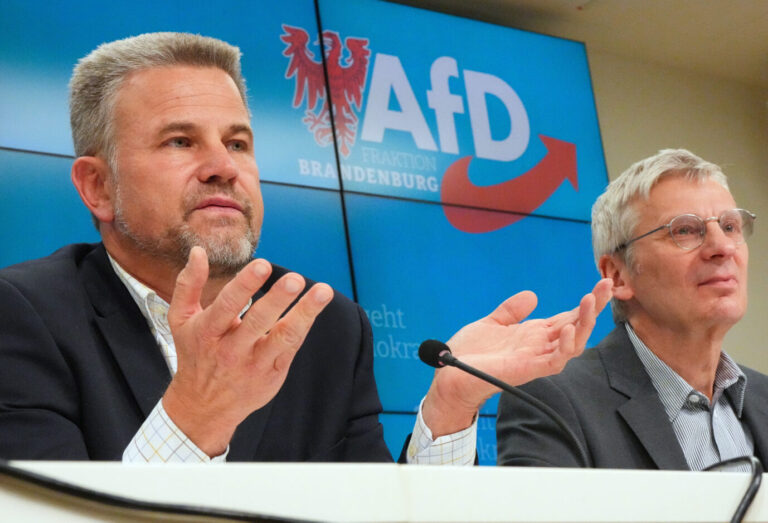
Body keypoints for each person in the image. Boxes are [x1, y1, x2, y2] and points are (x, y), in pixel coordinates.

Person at [0, 32, 610, 463]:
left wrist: (449, 407)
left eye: (238, 143)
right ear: (98, 186)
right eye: (180, 142)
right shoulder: (23, 315)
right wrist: (199, 414)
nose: (222, 167)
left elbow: (374, 515)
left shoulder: (327, 327)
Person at [497, 148, 768, 471]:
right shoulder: (552, 401)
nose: (722, 248)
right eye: (684, 230)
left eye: (730, 226)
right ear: (617, 275)